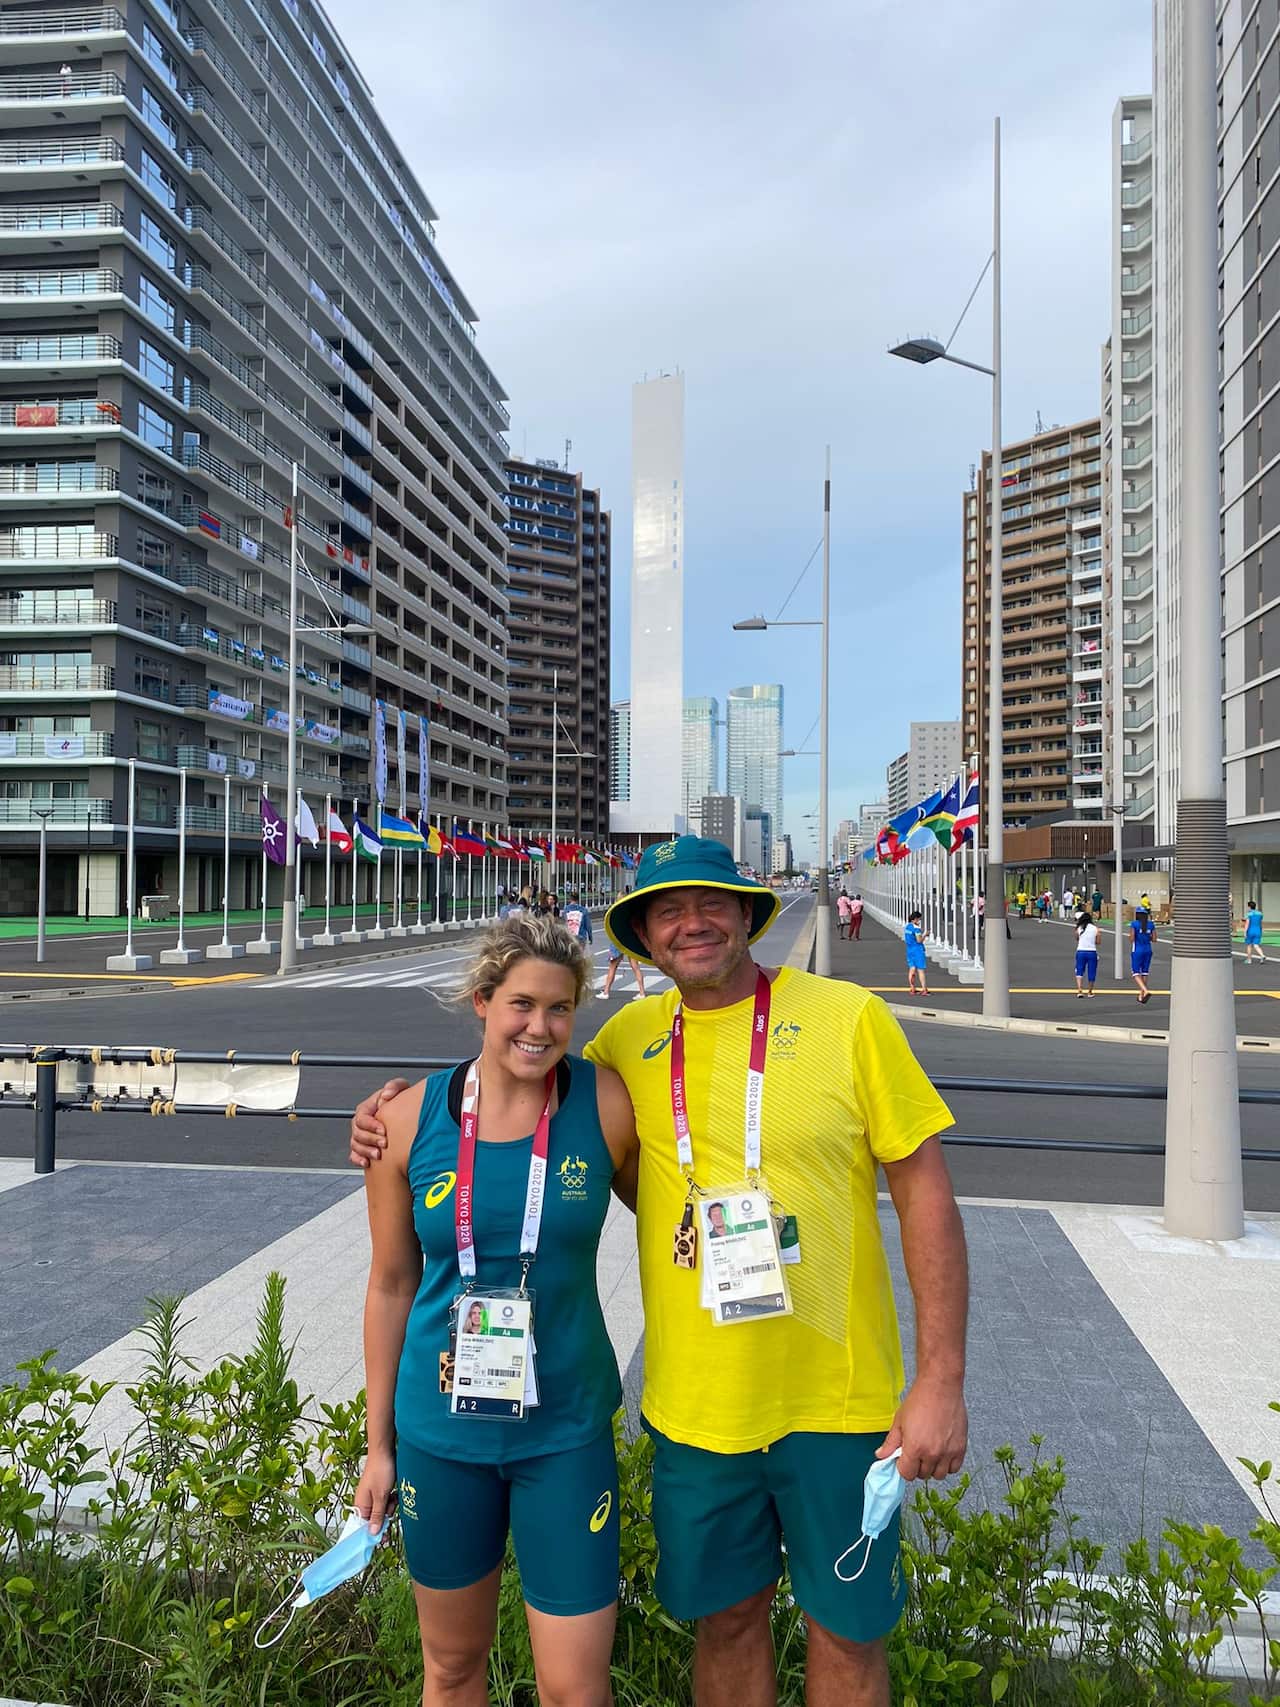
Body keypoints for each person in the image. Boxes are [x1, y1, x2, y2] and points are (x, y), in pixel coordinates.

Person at [352, 834, 968, 1707]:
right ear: (644, 933)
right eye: (668, 909)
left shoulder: (849, 1018)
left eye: (712, 901)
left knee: (847, 1634)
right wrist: (386, 1116)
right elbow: (507, 1103)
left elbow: (928, 1197)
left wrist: (941, 1376)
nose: (693, 923)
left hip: (841, 1400)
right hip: (695, 1411)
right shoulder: (628, 1050)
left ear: (748, 911)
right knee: (723, 1624)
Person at [353, 914, 638, 1706]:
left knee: (575, 1687)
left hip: (565, 1435)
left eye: (559, 1009)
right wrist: (379, 1448)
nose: (539, 1027)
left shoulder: (606, 1105)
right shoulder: (408, 1119)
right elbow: (390, 1285)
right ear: (482, 1001)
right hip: (442, 1437)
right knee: (449, 1670)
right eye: (521, 1004)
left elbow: (679, 1204)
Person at [1130, 905, 1156, 1004]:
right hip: (1148, 950)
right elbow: (1154, 939)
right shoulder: (1151, 924)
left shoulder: (1135, 924)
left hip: (1137, 950)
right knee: (1145, 972)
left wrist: (1137, 936)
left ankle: (1145, 990)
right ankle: (1141, 995)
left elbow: (1132, 938)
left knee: (1135, 972)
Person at [904, 907, 929, 996]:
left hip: (909, 950)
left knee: (912, 969)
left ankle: (912, 988)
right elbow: (919, 940)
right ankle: (924, 989)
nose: (919, 921)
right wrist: (925, 935)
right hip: (917, 950)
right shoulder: (916, 928)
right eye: (919, 919)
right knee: (921, 970)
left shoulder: (907, 927)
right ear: (915, 919)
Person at [1074, 910, 1099, 998]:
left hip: (1081, 951)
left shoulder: (1079, 928)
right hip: (1092, 951)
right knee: (1092, 971)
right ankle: (1090, 991)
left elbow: (1077, 938)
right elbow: (1098, 941)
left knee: (1079, 971)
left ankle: (1080, 990)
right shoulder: (1095, 928)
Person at [1244, 899, 1266, 964]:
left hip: (1250, 930)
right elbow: (1260, 923)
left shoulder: (1249, 914)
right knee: (1256, 945)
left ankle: (1249, 960)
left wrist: (1245, 932)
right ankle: (1262, 955)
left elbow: (1247, 924)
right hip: (1258, 930)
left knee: (1249, 945)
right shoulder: (1260, 914)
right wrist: (1261, 930)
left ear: (1249, 907)